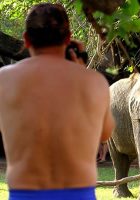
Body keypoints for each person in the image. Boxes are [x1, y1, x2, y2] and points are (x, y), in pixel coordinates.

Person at [0, 3, 114, 200]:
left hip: (24, 193)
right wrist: (81, 71)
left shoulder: (4, 79)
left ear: (26, 39)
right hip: (79, 193)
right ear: (68, 38)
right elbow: (105, 133)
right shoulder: (93, 82)